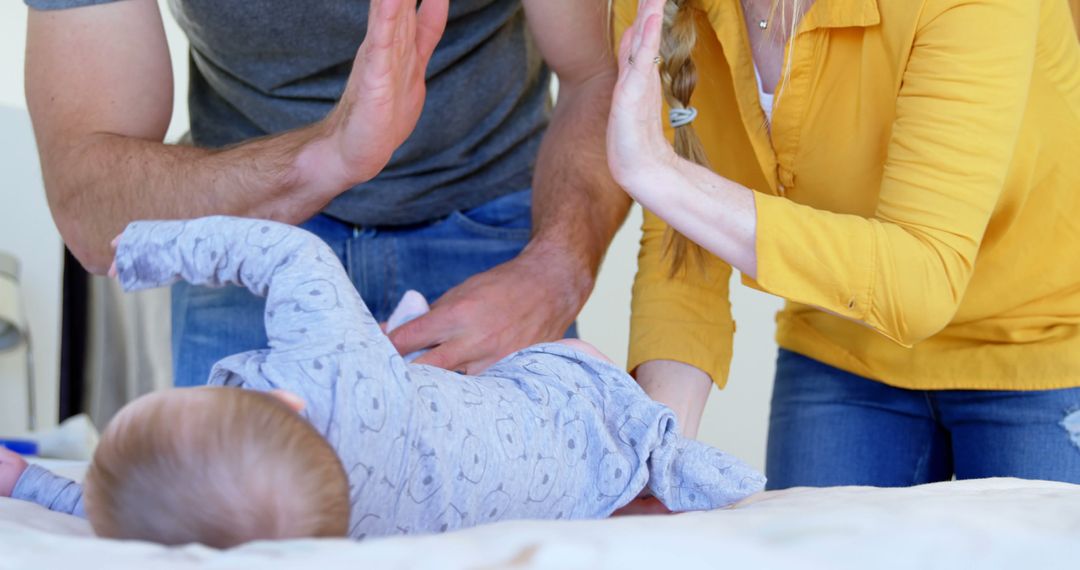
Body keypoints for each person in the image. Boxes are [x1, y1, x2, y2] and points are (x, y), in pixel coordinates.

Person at [0, 216, 764, 548]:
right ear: (278, 400)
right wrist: (142, 250)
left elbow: (133, 504)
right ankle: (658, 452)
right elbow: (285, 255)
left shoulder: (331, 524)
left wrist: (31, 482)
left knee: (441, 408)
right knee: (507, 390)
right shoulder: (322, 364)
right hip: (565, 388)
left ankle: (648, 471)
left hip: (572, 487)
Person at [24, 0, 631, 386]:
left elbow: (601, 74)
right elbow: (91, 209)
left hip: (494, 239)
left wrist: (554, 275)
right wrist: (324, 159)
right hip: (250, 242)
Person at [609, 0, 1080, 488]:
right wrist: (659, 456)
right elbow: (684, 244)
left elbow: (923, 279)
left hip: (1042, 340)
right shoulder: (653, 6)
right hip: (842, 341)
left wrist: (662, 177)